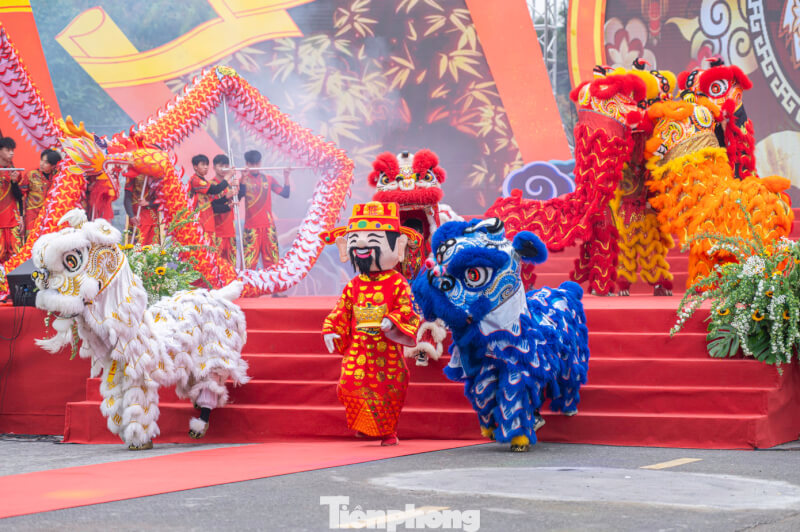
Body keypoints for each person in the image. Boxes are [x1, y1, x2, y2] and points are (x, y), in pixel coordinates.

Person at [320, 201, 421, 446]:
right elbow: (342, 309)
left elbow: (407, 308)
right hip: (358, 348)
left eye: (373, 239)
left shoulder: (397, 282)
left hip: (386, 350)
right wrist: (331, 329)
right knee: (348, 385)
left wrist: (391, 320)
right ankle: (367, 424)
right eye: (355, 240)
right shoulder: (354, 284)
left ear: (397, 247)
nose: (362, 245)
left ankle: (387, 431)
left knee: (388, 389)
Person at [240, 150, 290, 269]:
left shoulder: (269, 179)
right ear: (247, 164)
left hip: (268, 227)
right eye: (252, 164)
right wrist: (243, 178)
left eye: (257, 163)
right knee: (248, 265)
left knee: (273, 265)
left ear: (261, 163)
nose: (255, 167)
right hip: (251, 228)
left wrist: (286, 176)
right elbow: (238, 196)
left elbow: (285, 194)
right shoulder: (243, 180)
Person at [210, 154, 244, 267]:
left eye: (226, 166)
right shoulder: (210, 186)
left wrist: (240, 185)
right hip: (216, 233)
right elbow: (211, 207)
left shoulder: (230, 185)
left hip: (230, 232)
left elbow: (237, 200)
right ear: (214, 167)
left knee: (231, 267)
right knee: (215, 266)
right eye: (220, 166)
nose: (224, 169)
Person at [188, 154, 230, 243]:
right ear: (195, 167)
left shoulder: (204, 182)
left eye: (207, 164)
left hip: (208, 223)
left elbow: (212, 204)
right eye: (203, 164)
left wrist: (226, 198)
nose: (206, 167)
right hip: (200, 223)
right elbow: (216, 190)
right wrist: (228, 177)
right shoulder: (195, 181)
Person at [19, 148, 62, 236]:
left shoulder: (58, 177)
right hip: (32, 216)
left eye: (46, 162)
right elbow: (20, 195)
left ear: (53, 166)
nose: (41, 164)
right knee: (31, 240)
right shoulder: (31, 175)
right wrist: (21, 216)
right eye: (41, 160)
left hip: (50, 217)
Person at [0, 137, 23, 261]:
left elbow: (19, 196)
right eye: (8, 150)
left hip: (12, 220)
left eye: (12, 150)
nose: (12, 153)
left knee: (16, 256)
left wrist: (14, 182)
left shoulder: (14, 171)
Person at [124, 172, 160, 246]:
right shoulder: (132, 173)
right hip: (137, 216)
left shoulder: (158, 173)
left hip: (153, 217)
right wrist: (131, 216)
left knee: (153, 247)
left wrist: (148, 203)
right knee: (137, 246)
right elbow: (127, 198)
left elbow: (162, 199)